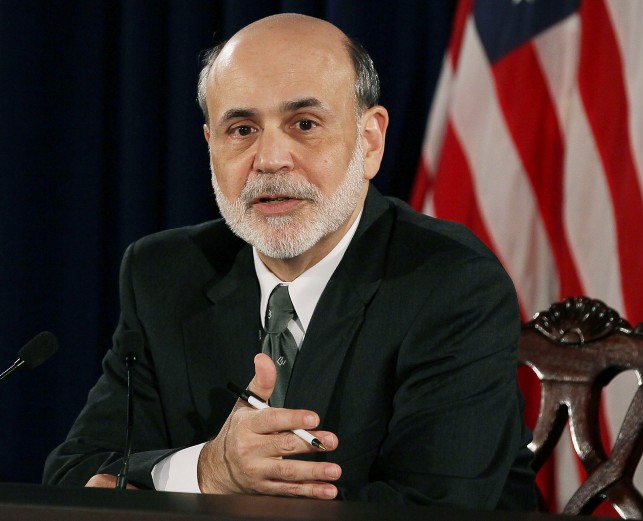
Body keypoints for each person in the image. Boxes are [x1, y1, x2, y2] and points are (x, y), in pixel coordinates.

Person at [43, 13, 537, 510]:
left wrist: (224, 486)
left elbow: (434, 507)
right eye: (241, 129)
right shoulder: (166, 273)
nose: (270, 158)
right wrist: (207, 471)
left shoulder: (450, 281)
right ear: (210, 146)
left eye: (304, 124)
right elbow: (76, 477)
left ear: (370, 140)